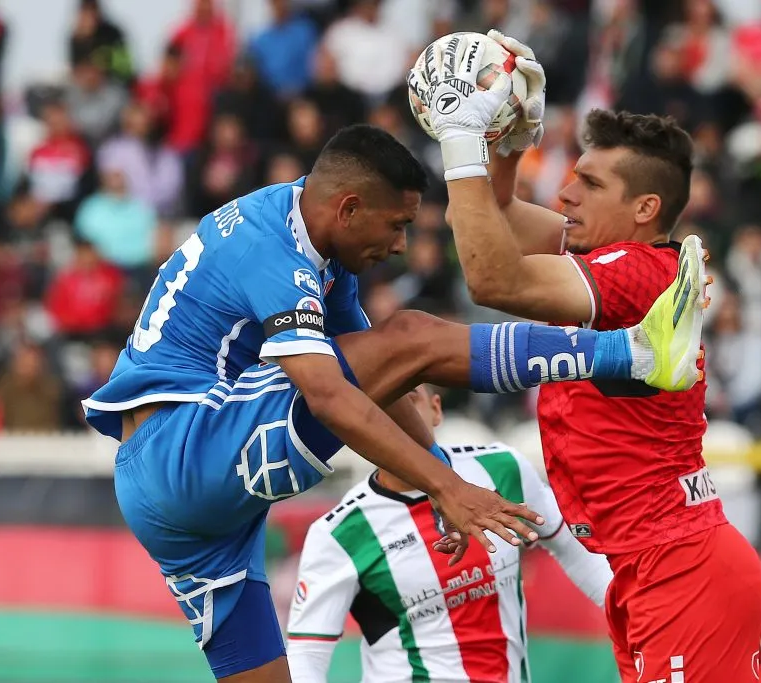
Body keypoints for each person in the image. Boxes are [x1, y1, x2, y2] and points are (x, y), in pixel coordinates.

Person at [80, 123, 708, 682]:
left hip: (177, 506)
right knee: (411, 332)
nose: (404, 244)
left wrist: (436, 473)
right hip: (187, 447)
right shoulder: (270, 247)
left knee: (400, 347)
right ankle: (633, 355)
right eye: (399, 224)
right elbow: (332, 394)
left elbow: (382, 382)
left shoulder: (323, 249)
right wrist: (447, 486)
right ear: (349, 208)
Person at [412, 32, 761, 683]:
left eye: (589, 183)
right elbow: (494, 221)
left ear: (644, 208)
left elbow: (492, 278)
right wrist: (514, 143)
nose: (566, 194)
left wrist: (461, 136)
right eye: (571, 177)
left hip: (678, 566)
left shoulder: (632, 271)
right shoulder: (617, 259)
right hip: (653, 562)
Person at [286, 385, 612, 683]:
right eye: (379, 408)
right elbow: (306, 655)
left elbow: (572, 545)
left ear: (436, 409)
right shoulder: (339, 533)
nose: (394, 418)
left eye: (408, 400)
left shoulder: (502, 469)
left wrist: (634, 620)